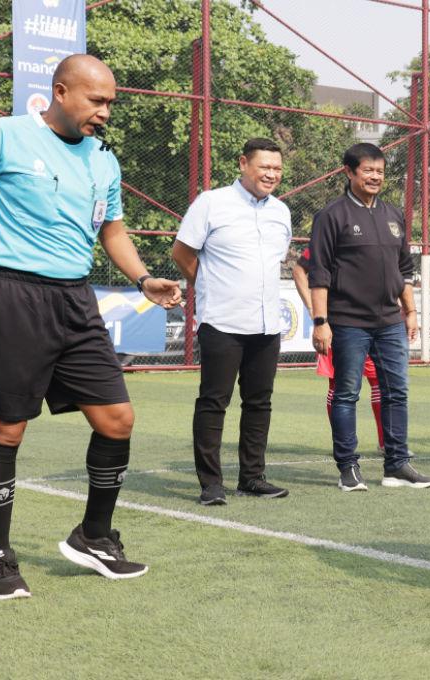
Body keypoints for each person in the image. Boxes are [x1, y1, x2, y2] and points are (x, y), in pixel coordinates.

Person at [0, 54, 181, 599]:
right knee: (6, 430)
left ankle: (94, 536)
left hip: (75, 301)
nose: (105, 113)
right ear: (61, 92)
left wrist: (143, 279)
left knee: (117, 419)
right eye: (97, 101)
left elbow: (111, 230)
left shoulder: (104, 161)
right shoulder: (4, 135)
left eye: (111, 102)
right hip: (12, 294)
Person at [308, 143, 430, 491]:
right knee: (347, 393)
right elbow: (317, 274)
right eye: (368, 170)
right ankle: (348, 468)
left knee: (397, 392)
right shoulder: (330, 216)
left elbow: (403, 270)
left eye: (379, 171)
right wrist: (321, 322)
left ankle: (397, 465)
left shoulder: (394, 215)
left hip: (391, 322)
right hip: (348, 322)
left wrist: (410, 311)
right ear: (349, 172)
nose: (375, 176)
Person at [173, 138, 293, 505]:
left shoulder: (281, 212)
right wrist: (210, 286)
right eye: (264, 167)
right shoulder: (212, 203)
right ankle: (211, 484)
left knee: (259, 402)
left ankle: (252, 477)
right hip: (222, 321)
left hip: (267, 325)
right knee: (214, 401)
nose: (271, 174)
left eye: (276, 169)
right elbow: (181, 252)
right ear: (243, 164)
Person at [291, 247, 389, 454]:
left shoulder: (374, 228)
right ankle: (343, 446)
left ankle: (385, 443)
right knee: (339, 384)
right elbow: (299, 270)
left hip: (371, 320)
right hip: (338, 322)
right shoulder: (329, 234)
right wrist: (313, 310)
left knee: (379, 380)